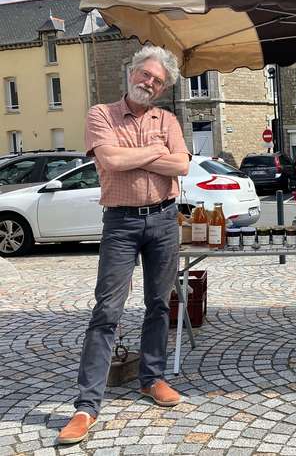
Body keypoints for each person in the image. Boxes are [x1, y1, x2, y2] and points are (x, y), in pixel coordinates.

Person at [57, 46, 191, 444]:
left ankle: (152, 378)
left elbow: (182, 165)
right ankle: (86, 406)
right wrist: (154, 152)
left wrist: (137, 155)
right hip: (120, 222)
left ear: (163, 88)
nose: (149, 82)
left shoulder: (167, 118)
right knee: (106, 311)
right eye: (146, 74)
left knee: (159, 303)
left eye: (158, 80)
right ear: (132, 72)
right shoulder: (101, 114)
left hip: (165, 219)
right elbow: (111, 161)